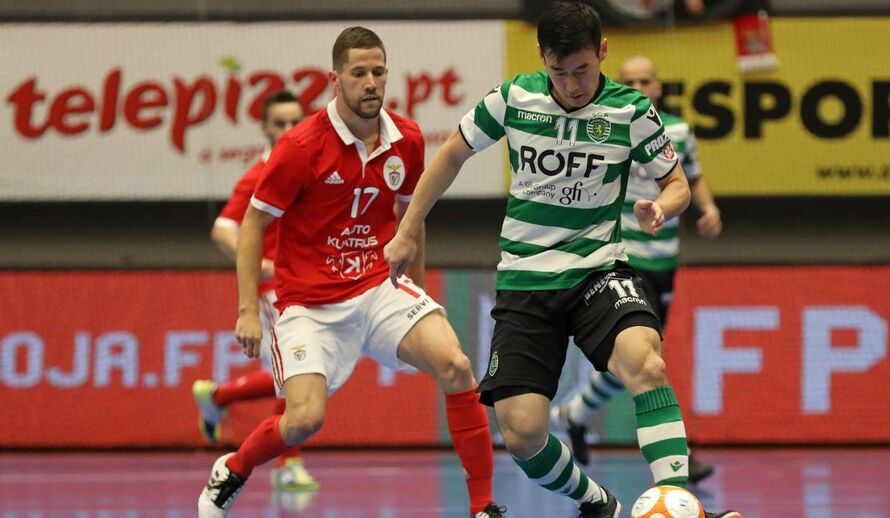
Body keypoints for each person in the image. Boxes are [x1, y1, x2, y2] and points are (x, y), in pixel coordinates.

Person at [384, 3, 740, 518]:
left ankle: (682, 506)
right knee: (523, 434)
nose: (572, 84)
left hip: (599, 269)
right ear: (542, 59)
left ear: (602, 52)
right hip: (526, 281)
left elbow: (678, 183)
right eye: (559, 72)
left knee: (647, 361)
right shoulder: (513, 98)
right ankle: (598, 504)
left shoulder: (631, 111)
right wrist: (408, 227)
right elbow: (452, 155)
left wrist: (660, 207)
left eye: (582, 70)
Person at [197, 27, 505, 518]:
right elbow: (252, 223)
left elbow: (412, 220)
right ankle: (232, 469)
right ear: (334, 79)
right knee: (302, 421)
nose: (370, 83)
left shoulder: (407, 138)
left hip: (379, 287)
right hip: (308, 304)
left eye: (378, 72)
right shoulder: (300, 146)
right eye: (358, 73)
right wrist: (247, 309)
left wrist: (417, 291)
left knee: (457, 366)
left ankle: (483, 505)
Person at [550, 55, 722, 484]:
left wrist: (708, 206)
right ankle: (678, 463)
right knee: (649, 360)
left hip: (665, 259)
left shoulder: (679, 131)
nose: (640, 87)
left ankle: (574, 412)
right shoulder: (606, 128)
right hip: (624, 259)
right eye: (630, 81)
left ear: (659, 87)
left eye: (647, 80)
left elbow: (691, 175)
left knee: (634, 362)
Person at [192, 89, 317, 492]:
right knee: (298, 373)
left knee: (299, 374)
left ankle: (219, 396)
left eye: (294, 121)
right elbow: (223, 228)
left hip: (309, 282)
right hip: (275, 289)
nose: (287, 129)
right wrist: (262, 265)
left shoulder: (311, 164)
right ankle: (288, 464)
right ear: (264, 128)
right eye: (279, 123)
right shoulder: (261, 172)